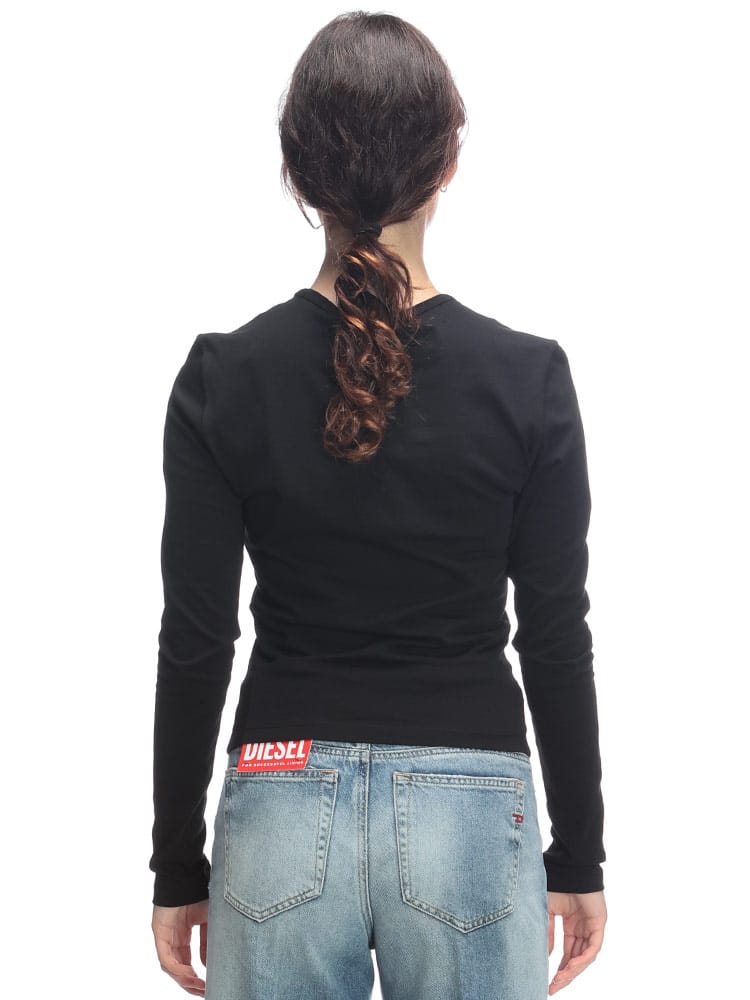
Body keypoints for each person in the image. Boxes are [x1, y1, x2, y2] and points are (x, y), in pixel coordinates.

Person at [149, 11, 607, 999]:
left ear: (297, 173)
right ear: (447, 167)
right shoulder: (527, 379)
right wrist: (580, 852)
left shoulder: (224, 377)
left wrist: (176, 864)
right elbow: (555, 634)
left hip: (279, 790)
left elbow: (196, 638)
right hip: (471, 809)